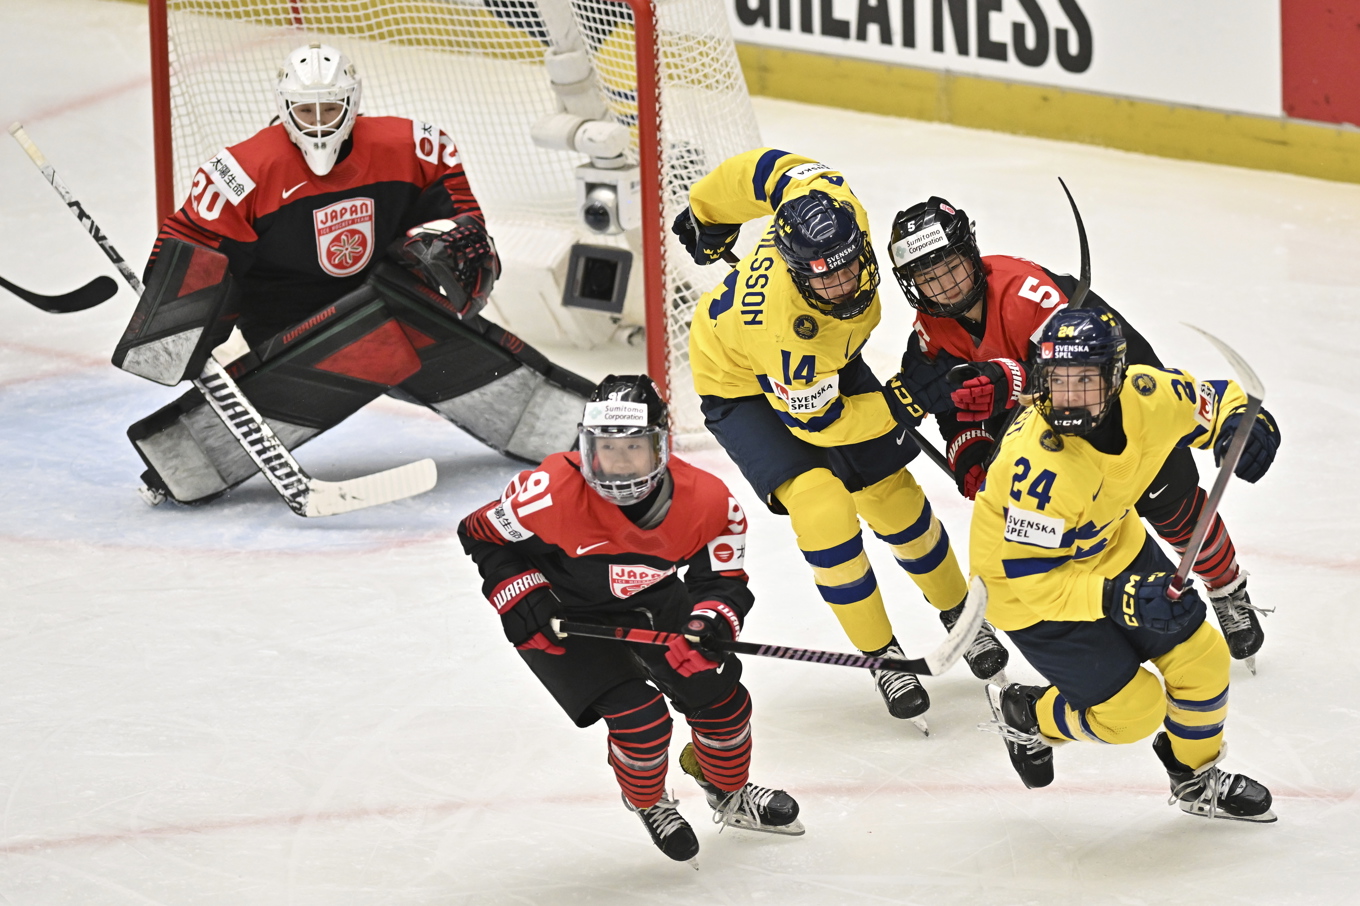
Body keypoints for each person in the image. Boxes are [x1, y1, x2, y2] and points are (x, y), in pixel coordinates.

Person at [115, 43, 590, 507]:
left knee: (398, 318)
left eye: (330, 109)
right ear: (284, 108)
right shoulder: (243, 172)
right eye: (306, 111)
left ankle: (587, 430)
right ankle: (184, 462)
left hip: (388, 293)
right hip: (285, 316)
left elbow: (463, 221)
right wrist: (182, 328)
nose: (319, 122)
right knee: (371, 333)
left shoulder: (413, 146)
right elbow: (194, 249)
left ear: (353, 103)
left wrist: (453, 245)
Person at [673, 149, 1008, 730]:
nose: (842, 281)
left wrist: (707, 211)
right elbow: (820, 424)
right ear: (796, 267)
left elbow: (765, 169)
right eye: (823, 275)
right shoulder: (786, 336)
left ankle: (961, 614)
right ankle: (883, 656)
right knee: (824, 507)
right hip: (745, 388)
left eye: (848, 265)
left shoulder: (829, 200)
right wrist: (903, 402)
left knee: (891, 493)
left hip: (829, 360)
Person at [886, 196, 1271, 667]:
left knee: (1176, 512)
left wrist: (1010, 379)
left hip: (1114, 409)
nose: (943, 287)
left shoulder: (1028, 294)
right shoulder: (929, 335)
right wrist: (970, 448)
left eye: (949, 268)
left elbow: (1088, 375)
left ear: (971, 254)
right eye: (927, 277)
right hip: (1051, 443)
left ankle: (1226, 585)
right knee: (1048, 535)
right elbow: (956, 408)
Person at [457, 375, 803, 863]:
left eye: (633, 449)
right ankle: (648, 801)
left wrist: (708, 624)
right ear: (583, 448)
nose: (617, 465)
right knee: (641, 721)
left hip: (652, 601)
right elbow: (480, 533)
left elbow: (722, 581)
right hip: (563, 618)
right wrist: (519, 594)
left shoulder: (709, 502)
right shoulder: (547, 492)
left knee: (721, 702)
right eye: (604, 450)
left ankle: (728, 790)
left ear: (661, 447)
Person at [971, 307, 1280, 822]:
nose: (1066, 400)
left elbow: (1221, 399)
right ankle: (1029, 715)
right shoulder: (1038, 467)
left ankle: (1194, 777)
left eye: (1084, 382)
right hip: (1025, 591)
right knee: (1131, 713)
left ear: (1115, 378)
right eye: (1055, 382)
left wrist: (1246, 426)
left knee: (1201, 657)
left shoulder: (1146, 394)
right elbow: (1035, 582)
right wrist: (1120, 598)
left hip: (1112, 546)